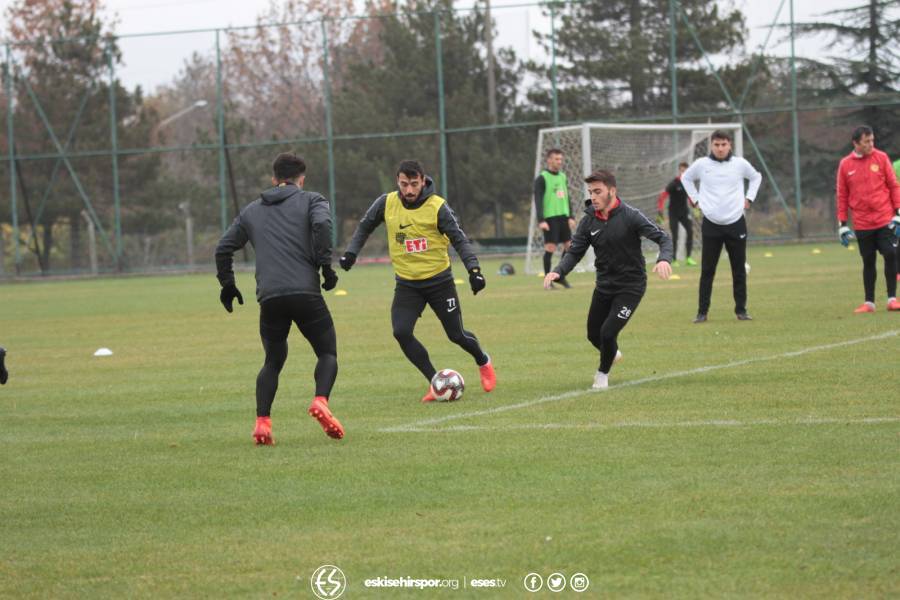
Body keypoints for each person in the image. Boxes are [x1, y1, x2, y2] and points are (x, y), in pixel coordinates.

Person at [339, 159, 496, 402]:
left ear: (423, 181)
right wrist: (351, 253)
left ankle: (483, 361)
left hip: (439, 282)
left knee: (456, 334)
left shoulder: (438, 207)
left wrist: (474, 270)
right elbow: (364, 226)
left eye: (414, 184)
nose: (409, 190)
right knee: (401, 332)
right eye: (404, 184)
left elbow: (459, 239)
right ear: (397, 181)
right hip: (407, 284)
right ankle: (436, 383)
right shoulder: (386, 202)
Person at [215, 152, 344, 445]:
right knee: (327, 353)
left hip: (270, 297)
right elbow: (322, 226)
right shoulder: (312, 200)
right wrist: (325, 266)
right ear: (302, 179)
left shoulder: (251, 210)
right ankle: (320, 401)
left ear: (274, 179)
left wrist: (228, 284)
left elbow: (223, 248)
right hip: (305, 293)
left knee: (273, 361)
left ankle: (262, 423)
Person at [544, 169, 673, 389]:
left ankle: (602, 374)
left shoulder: (631, 216)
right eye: (590, 192)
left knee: (608, 332)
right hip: (604, 286)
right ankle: (611, 352)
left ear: (612, 191)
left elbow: (664, 238)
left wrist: (664, 259)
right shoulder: (588, 221)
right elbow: (574, 252)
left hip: (631, 287)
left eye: (598, 191)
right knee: (593, 334)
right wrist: (559, 271)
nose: (593, 197)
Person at [681, 130, 762, 323]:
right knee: (707, 270)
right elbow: (686, 178)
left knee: (739, 270)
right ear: (711, 145)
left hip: (736, 223)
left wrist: (749, 198)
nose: (720, 148)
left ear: (729, 145)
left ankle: (741, 311)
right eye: (716, 145)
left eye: (723, 144)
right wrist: (695, 200)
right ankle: (702, 312)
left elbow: (756, 177)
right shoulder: (702, 164)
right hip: (711, 224)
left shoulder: (739, 164)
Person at [835, 125, 900, 312]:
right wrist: (843, 224)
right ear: (856, 143)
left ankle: (892, 299)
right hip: (862, 223)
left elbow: (894, 186)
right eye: (867, 141)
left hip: (884, 218)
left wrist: (898, 213)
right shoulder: (845, 165)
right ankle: (869, 303)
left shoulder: (881, 158)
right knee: (868, 261)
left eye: (872, 140)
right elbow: (842, 196)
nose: (871, 144)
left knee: (890, 253)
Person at [534, 148, 575, 288]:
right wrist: (541, 220)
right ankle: (548, 281)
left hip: (563, 217)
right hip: (550, 219)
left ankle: (560, 275)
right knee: (550, 248)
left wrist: (571, 216)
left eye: (561, 159)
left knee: (569, 247)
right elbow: (538, 200)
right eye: (557, 159)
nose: (559, 162)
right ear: (549, 160)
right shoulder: (542, 178)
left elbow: (567, 198)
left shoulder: (563, 176)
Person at [656, 162, 696, 267]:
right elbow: (662, 196)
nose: (684, 172)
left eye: (686, 171)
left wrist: (695, 206)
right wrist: (660, 210)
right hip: (673, 213)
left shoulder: (688, 183)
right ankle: (674, 260)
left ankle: (688, 258)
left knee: (690, 232)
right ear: (679, 171)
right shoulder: (674, 183)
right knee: (675, 235)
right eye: (682, 170)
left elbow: (691, 198)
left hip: (684, 212)